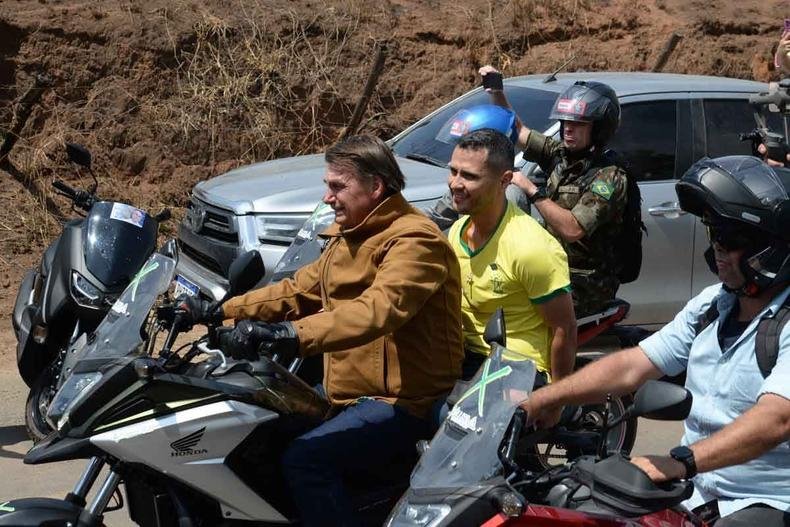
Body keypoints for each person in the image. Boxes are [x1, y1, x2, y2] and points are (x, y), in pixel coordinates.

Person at [178, 135, 464, 527]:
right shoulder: (352, 233)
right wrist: (217, 311)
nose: (328, 198)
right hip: (345, 390)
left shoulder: (415, 241)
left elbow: (379, 309)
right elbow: (297, 290)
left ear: (375, 186)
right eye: (328, 186)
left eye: (338, 186)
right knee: (253, 427)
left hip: (401, 400)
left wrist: (290, 334)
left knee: (306, 460)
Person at [520, 155, 790, 526]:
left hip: (766, 499)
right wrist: (542, 399)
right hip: (696, 491)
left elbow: (777, 418)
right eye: (713, 234)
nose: (717, 249)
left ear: (772, 247)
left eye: (730, 239)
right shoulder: (713, 306)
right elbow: (633, 365)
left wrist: (681, 462)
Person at [480, 65, 629, 318]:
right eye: (566, 122)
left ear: (599, 128)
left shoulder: (610, 177)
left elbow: (573, 230)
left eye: (578, 123)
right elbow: (519, 131)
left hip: (584, 284)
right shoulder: (561, 154)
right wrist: (496, 91)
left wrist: (533, 191)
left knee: (514, 308)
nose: (568, 128)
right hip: (552, 267)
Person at [447, 128, 577, 383]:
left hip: (517, 370)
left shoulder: (531, 248)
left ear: (505, 180)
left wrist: (556, 396)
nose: (455, 184)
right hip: (467, 360)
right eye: (453, 171)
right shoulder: (457, 231)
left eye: (469, 176)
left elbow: (565, 328)